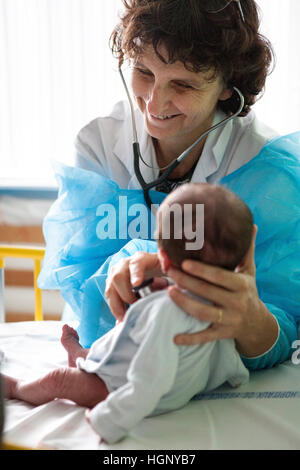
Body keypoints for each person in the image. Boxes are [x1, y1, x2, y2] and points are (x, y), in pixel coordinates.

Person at [40, 0, 300, 370]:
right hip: (115, 359)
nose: (155, 102)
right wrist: (130, 266)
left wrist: (252, 319)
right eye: (144, 72)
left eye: (182, 84)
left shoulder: (267, 172)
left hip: (206, 368)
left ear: (228, 86)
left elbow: (285, 332)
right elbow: (83, 287)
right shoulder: (98, 145)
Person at [4, 183, 252, 444]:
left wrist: (110, 419)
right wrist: (239, 375)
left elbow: (150, 379)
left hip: (125, 390)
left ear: (162, 258)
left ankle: (16, 387)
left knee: (59, 380)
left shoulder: (167, 312)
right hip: (174, 385)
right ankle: (82, 356)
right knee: (118, 337)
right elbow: (223, 353)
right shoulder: (222, 309)